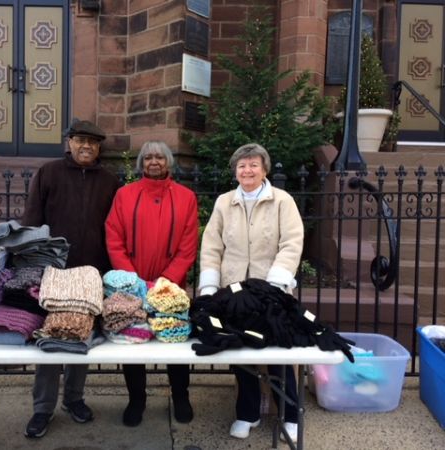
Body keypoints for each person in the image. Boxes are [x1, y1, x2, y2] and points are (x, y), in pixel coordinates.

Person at [197, 143, 304, 443]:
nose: (247, 170)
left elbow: (292, 242)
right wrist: (209, 285)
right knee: (241, 354)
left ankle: (290, 416)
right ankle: (248, 413)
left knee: (277, 354)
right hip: (233, 292)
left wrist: (275, 283)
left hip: (271, 291)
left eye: (253, 165)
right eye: (242, 166)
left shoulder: (282, 201)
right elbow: (212, 245)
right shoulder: (223, 202)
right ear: (235, 171)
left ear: (264, 169)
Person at [22, 119, 120, 439]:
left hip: (92, 271)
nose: (86, 146)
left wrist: (109, 269)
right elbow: (32, 219)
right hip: (55, 271)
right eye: (80, 140)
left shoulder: (109, 180)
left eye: (93, 142)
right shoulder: (49, 172)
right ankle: (43, 407)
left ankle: (74, 399)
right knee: (50, 340)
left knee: (80, 338)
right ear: (69, 142)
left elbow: (115, 226)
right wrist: (33, 263)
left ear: (99, 147)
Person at [105, 140, 199, 426]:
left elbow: (188, 244)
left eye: (159, 157)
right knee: (133, 341)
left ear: (168, 162)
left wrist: (166, 282)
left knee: (175, 342)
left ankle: (181, 396)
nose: (154, 162)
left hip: (172, 286)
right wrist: (133, 280)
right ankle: (137, 399)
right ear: (141, 164)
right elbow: (114, 237)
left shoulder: (186, 197)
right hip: (133, 284)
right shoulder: (124, 195)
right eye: (148, 158)